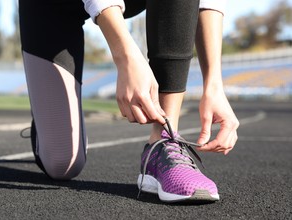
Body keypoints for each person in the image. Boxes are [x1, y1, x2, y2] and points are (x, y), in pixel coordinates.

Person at [18, 0, 239, 203]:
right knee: (62, 164)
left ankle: (164, 141)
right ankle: (44, 124)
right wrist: (126, 57)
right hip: (53, 5)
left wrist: (214, 85)